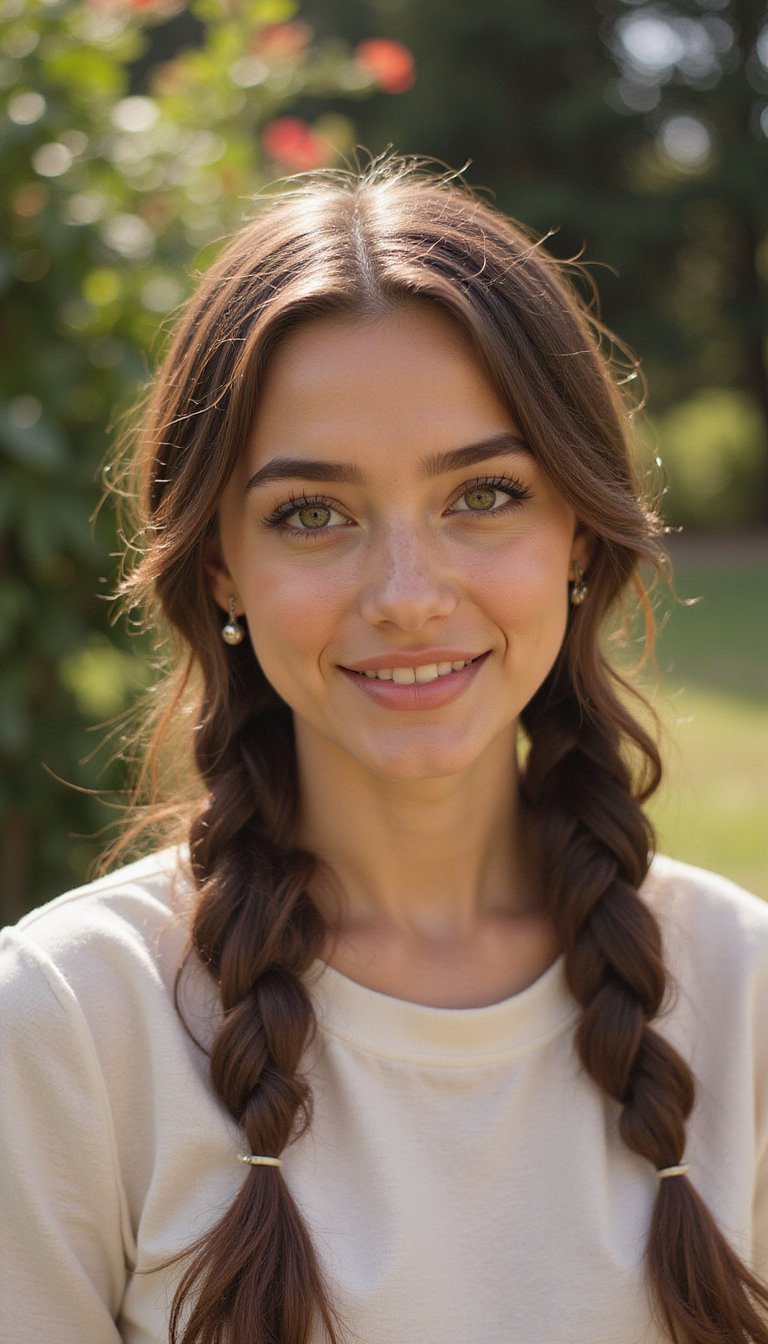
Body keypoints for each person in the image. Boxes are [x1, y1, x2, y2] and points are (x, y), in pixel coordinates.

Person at [1, 157, 766, 1344]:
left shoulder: (748, 992)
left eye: (486, 495)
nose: (408, 595)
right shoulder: (66, 1025)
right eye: (314, 514)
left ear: (577, 531)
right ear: (223, 572)